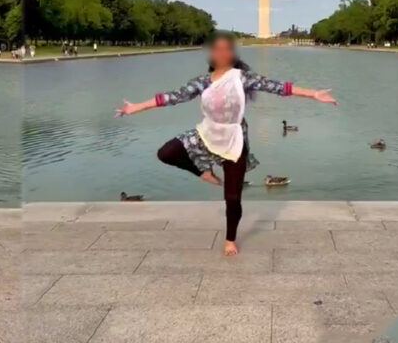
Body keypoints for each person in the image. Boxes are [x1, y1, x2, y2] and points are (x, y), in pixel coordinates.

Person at [115, 33, 337, 256]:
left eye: (226, 49)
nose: (221, 53)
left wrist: (314, 94)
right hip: (207, 134)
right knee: (167, 152)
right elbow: (172, 97)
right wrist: (136, 107)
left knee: (232, 197)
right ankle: (203, 172)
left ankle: (230, 239)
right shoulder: (202, 82)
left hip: (235, 140)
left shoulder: (242, 78)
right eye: (217, 49)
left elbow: (278, 87)